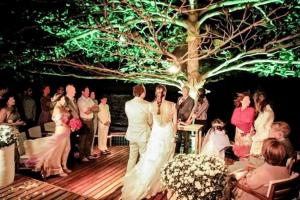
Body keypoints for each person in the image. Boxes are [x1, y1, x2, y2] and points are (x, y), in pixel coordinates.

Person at [121, 84, 177, 200]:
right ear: (165, 93)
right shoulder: (171, 105)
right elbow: (173, 125)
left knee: (145, 160)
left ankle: (135, 179)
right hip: (161, 136)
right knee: (164, 160)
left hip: (145, 136)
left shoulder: (146, 105)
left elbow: (150, 121)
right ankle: (163, 182)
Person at [25, 96, 72, 178]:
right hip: (61, 130)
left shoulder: (63, 107)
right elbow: (58, 122)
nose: (64, 101)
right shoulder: (57, 108)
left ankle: (64, 166)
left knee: (67, 148)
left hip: (66, 130)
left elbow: (68, 117)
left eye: (65, 99)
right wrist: (69, 126)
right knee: (58, 151)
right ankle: (58, 169)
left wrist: (71, 124)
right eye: (63, 99)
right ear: (58, 99)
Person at [124, 84, 152, 173]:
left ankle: (128, 179)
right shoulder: (147, 104)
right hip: (143, 135)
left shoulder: (127, 104)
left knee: (132, 158)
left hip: (132, 135)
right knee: (144, 158)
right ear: (142, 92)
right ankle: (142, 179)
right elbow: (150, 122)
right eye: (145, 91)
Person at [77, 86, 98, 162]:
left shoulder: (89, 99)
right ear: (82, 92)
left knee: (89, 138)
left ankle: (88, 154)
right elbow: (86, 112)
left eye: (88, 91)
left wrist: (90, 109)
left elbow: (97, 108)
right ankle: (82, 156)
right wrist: (91, 108)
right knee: (83, 139)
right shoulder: (80, 100)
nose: (88, 93)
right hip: (84, 121)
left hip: (90, 120)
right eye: (87, 91)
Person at [251, 90, 274, 155]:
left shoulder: (267, 113)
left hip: (260, 144)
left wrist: (252, 138)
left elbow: (267, 132)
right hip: (257, 141)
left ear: (260, 101)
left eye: (255, 102)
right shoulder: (263, 112)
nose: (255, 104)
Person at [175, 86, 194, 153]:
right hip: (179, 118)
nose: (184, 92)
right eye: (183, 91)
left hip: (186, 119)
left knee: (186, 137)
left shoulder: (191, 100)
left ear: (188, 92)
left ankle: (186, 152)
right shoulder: (179, 98)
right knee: (179, 136)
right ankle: (177, 152)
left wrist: (185, 120)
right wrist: (179, 103)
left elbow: (189, 110)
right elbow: (176, 108)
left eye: (185, 91)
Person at [65, 84, 80, 166]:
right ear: (69, 91)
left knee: (73, 141)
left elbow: (76, 111)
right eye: (74, 90)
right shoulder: (65, 100)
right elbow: (65, 113)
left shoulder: (74, 99)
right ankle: (68, 161)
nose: (75, 92)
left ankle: (73, 159)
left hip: (75, 124)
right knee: (69, 142)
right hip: (69, 125)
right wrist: (71, 123)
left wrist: (77, 121)